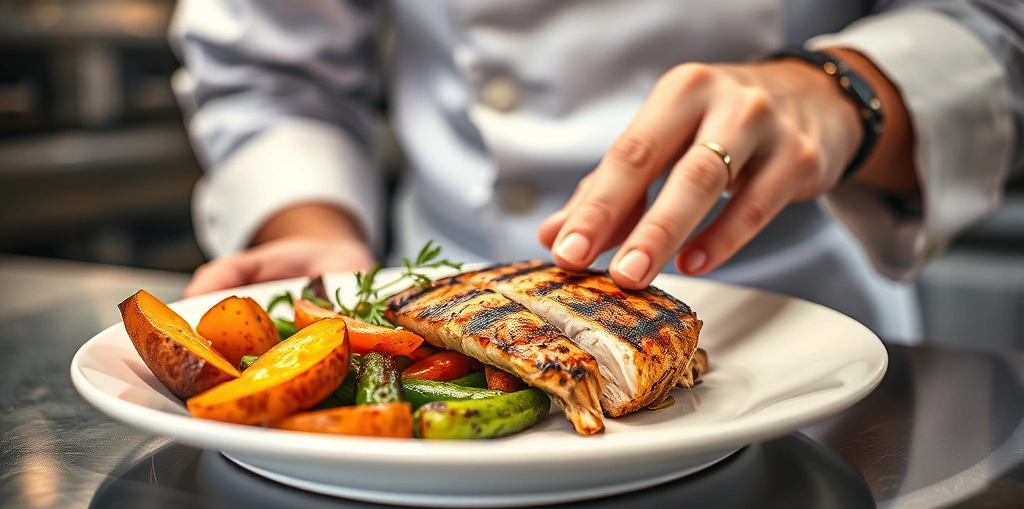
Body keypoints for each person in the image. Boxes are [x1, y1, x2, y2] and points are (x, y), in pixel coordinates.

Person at [170, 1, 1024, 341]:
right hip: (428, 307)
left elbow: (997, 27)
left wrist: (842, 95)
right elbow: (271, 72)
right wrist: (313, 232)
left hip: (797, 313)